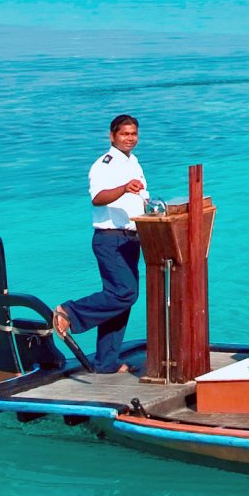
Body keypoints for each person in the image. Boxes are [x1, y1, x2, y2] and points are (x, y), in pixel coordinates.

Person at [52, 114, 148, 373]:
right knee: (123, 294)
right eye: (124, 134)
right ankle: (69, 311)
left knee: (122, 299)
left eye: (133, 134)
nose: (130, 138)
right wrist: (124, 188)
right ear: (112, 136)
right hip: (110, 239)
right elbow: (98, 198)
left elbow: (139, 199)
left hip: (131, 238)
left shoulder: (134, 162)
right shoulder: (104, 165)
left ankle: (106, 361)